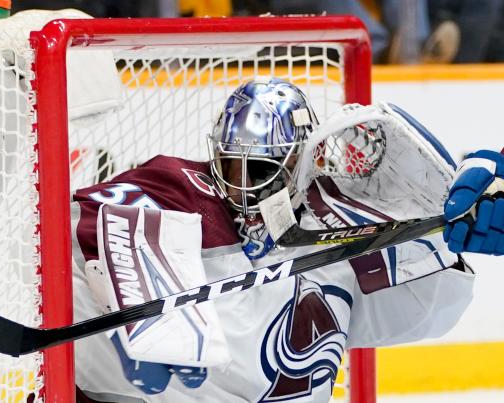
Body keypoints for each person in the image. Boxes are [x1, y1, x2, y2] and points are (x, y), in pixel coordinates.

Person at [70, 77, 476, 402]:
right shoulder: (180, 187)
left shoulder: (336, 226)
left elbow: (431, 312)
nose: (243, 187)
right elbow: (83, 224)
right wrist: (138, 314)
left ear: (301, 161)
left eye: (261, 170)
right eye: (231, 165)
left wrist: (432, 239)